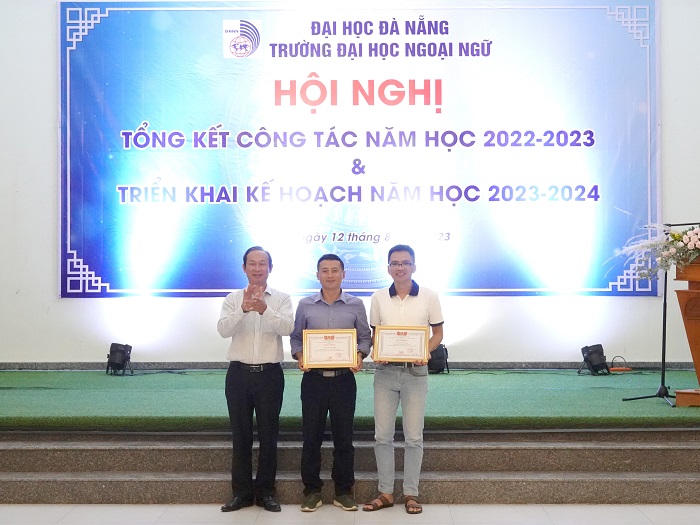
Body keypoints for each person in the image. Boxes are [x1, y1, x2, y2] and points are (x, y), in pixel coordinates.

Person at [362, 244, 444, 515]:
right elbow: (376, 335)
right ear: (388, 268)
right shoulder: (378, 297)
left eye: (405, 263)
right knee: (382, 436)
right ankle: (386, 492)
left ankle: (411, 493)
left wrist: (425, 351)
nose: (400, 267)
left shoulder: (430, 296)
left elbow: (438, 334)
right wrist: (377, 352)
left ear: (414, 266)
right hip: (385, 373)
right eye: (395, 263)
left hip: (415, 373)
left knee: (413, 437)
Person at [290, 253, 372, 512]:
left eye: (335, 270)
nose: (329, 275)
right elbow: (296, 338)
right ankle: (311, 491)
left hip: (343, 380)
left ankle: (343, 491)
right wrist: (300, 356)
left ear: (343, 274)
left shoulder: (356, 304)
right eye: (324, 270)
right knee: (311, 438)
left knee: (344, 438)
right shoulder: (305, 304)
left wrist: (359, 355)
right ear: (317, 275)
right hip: (313, 381)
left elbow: (365, 337)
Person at [217, 246, 294, 513]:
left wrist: (264, 309)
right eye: (252, 263)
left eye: (263, 264)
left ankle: (266, 493)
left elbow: (288, 328)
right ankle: (241, 493)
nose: (257, 268)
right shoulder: (232, 298)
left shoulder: (281, 299)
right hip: (238, 375)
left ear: (270, 268)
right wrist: (242, 309)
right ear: (244, 268)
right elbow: (223, 330)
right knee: (241, 435)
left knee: (269, 436)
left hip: (269, 375)